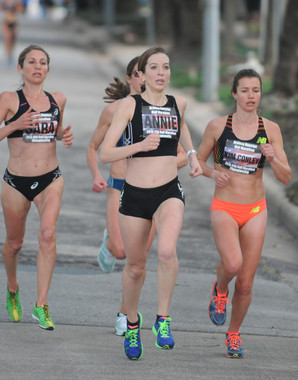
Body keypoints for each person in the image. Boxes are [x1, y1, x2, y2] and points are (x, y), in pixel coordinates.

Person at [100, 47, 202, 360]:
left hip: (169, 191)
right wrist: (140, 146)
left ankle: (163, 320)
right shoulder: (130, 105)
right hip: (134, 195)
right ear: (141, 75)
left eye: (166, 67)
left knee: (167, 250)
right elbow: (105, 152)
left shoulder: (178, 104)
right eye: (154, 67)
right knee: (135, 266)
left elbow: (182, 126)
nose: (161, 73)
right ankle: (132, 325)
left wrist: (193, 156)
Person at [87, 56, 188, 336]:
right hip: (119, 184)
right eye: (142, 72)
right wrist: (98, 173)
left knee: (147, 257)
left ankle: (128, 315)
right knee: (122, 253)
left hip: (160, 190)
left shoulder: (167, 110)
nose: (154, 75)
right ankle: (109, 240)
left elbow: (183, 153)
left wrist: (165, 163)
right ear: (134, 77)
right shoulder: (117, 110)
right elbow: (96, 148)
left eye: (164, 67)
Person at [196, 68, 291, 358]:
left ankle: (234, 334)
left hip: (254, 209)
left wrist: (273, 159)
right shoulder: (217, 126)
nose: (251, 96)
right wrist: (214, 174)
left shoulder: (270, 130)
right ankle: (220, 288)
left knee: (247, 282)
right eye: (245, 90)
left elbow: (286, 177)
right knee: (233, 264)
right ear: (234, 94)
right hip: (224, 206)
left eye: (256, 90)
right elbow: (199, 162)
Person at [0, 45, 73, 331]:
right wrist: (15, 124)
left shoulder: (58, 99)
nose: (37, 66)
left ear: (47, 69)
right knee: (15, 244)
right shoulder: (9, 99)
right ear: (21, 68)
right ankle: (12, 288)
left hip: (50, 178)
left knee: (47, 234)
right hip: (16, 182)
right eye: (31, 62)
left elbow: (52, 130)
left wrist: (62, 134)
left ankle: (41, 304)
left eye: (43, 62)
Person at [0, 0, 22, 67]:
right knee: (7, 38)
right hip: (6, 21)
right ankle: (8, 56)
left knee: (13, 40)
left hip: (14, 21)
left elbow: (20, 10)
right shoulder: (3, 1)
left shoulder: (17, 1)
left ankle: (11, 54)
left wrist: (15, 7)